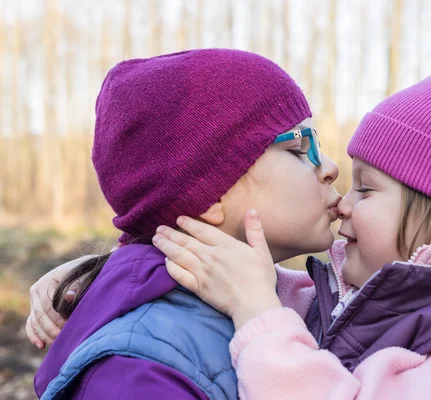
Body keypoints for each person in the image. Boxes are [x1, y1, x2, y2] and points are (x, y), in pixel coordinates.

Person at [155, 53, 431, 399]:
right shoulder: (358, 297)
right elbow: (294, 296)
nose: (343, 205)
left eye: (366, 190)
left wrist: (257, 311)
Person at [29, 48, 341, 399]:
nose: (330, 167)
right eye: (299, 148)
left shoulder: (279, 304)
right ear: (213, 193)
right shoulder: (139, 373)